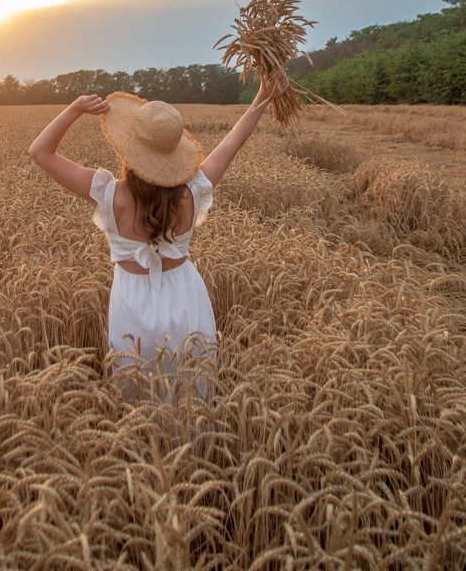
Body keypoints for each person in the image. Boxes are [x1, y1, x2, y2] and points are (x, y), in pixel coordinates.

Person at [28, 73, 289, 399]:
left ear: (129, 149)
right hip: (185, 297)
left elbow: (40, 151)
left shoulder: (110, 196)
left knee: (135, 389)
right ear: (174, 155)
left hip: (131, 303)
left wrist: (75, 108)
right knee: (192, 389)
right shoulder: (193, 191)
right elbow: (233, 142)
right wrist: (263, 96)